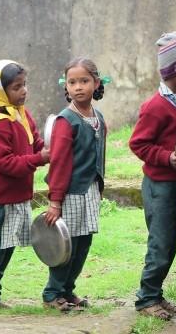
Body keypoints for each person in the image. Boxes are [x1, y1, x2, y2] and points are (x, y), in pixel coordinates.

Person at [129, 32, 176, 320]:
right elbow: (138, 143)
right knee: (160, 244)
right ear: (174, 71)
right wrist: (166, 158)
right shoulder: (156, 107)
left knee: (169, 243)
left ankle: (156, 294)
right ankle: (146, 299)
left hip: (173, 185)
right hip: (158, 185)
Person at [0, 60, 49, 308]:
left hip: (18, 198)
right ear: (0, 91)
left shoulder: (21, 115)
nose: (24, 90)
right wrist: (39, 159)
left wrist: (50, 148)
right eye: (17, 87)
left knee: (7, 249)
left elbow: (35, 141)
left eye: (24, 85)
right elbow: (5, 163)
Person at [42, 57, 107, 312]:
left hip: (89, 191)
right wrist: (55, 200)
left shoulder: (98, 117)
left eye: (84, 81)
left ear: (96, 83)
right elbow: (58, 163)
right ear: (66, 86)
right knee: (66, 245)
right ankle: (52, 293)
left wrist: (99, 188)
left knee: (83, 243)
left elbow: (99, 155)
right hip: (69, 194)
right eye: (72, 82)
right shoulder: (65, 120)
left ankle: (67, 290)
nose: (78, 87)